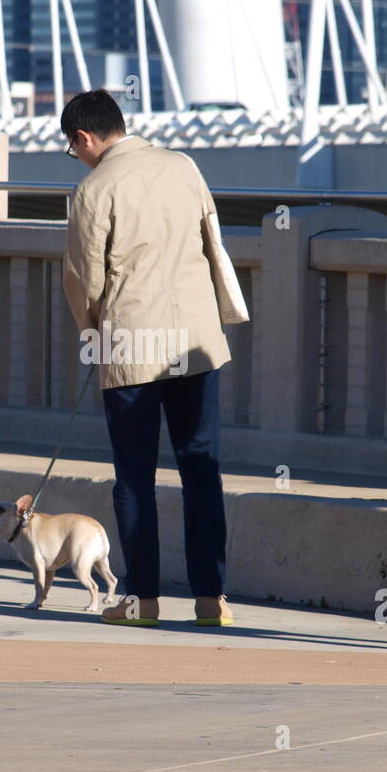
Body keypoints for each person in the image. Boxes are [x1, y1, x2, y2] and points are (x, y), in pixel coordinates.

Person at [60, 89, 247, 628]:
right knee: (201, 471)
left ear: (83, 138)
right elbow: (213, 240)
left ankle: (141, 600)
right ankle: (212, 600)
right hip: (196, 341)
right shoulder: (182, 165)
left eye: (75, 149)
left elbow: (84, 279)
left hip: (131, 347)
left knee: (135, 477)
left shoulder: (94, 188)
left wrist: (91, 330)